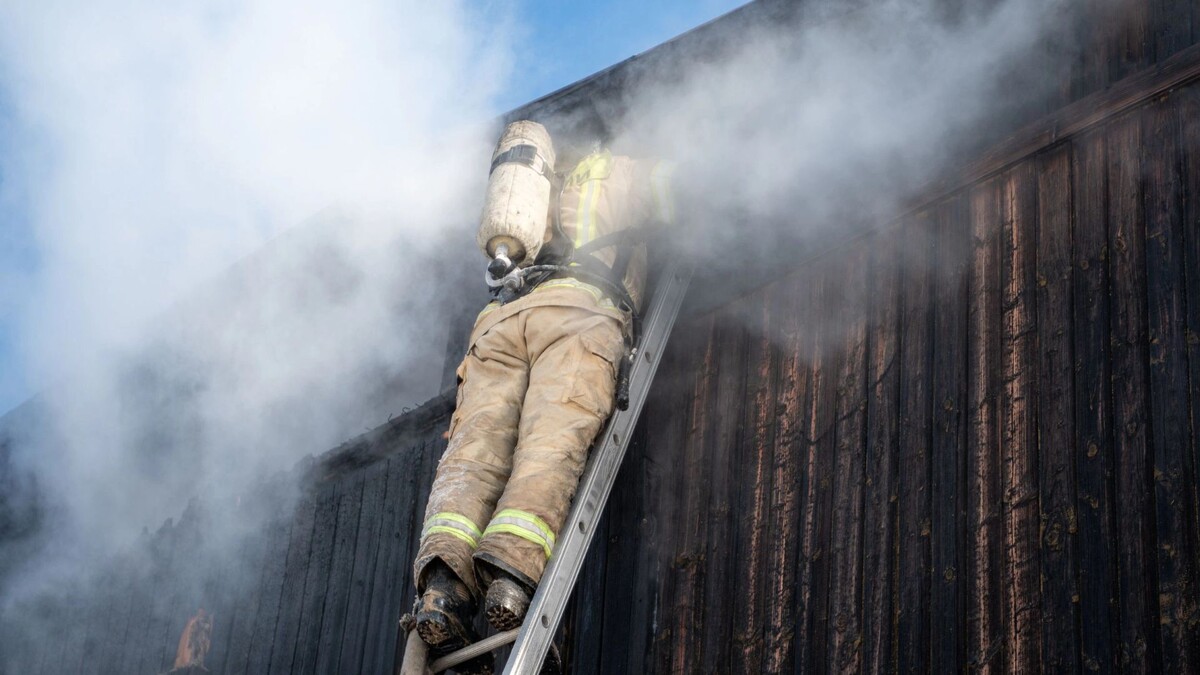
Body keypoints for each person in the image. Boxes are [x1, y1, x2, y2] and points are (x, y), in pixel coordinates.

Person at [410, 121, 673, 672]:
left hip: (499, 323)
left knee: (472, 456)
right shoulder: (621, 170)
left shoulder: (530, 185)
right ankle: (510, 575)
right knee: (549, 444)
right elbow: (696, 197)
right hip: (577, 315)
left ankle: (441, 589)